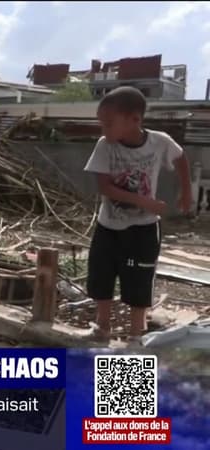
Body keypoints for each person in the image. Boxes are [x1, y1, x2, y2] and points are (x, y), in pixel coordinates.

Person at [83, 86, 192, 345]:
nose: (104, 130)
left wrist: (185, 191)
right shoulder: (104, 145)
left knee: (138, 281)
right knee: (101, 275)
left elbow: (181, 158)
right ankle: (102, 326)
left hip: (143, 229)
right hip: (108, 225)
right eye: (101, 124)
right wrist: (143, 201)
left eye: (108, 124)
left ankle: (135, 335)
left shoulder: (159, 142)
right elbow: (105, 187)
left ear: (135, 119)